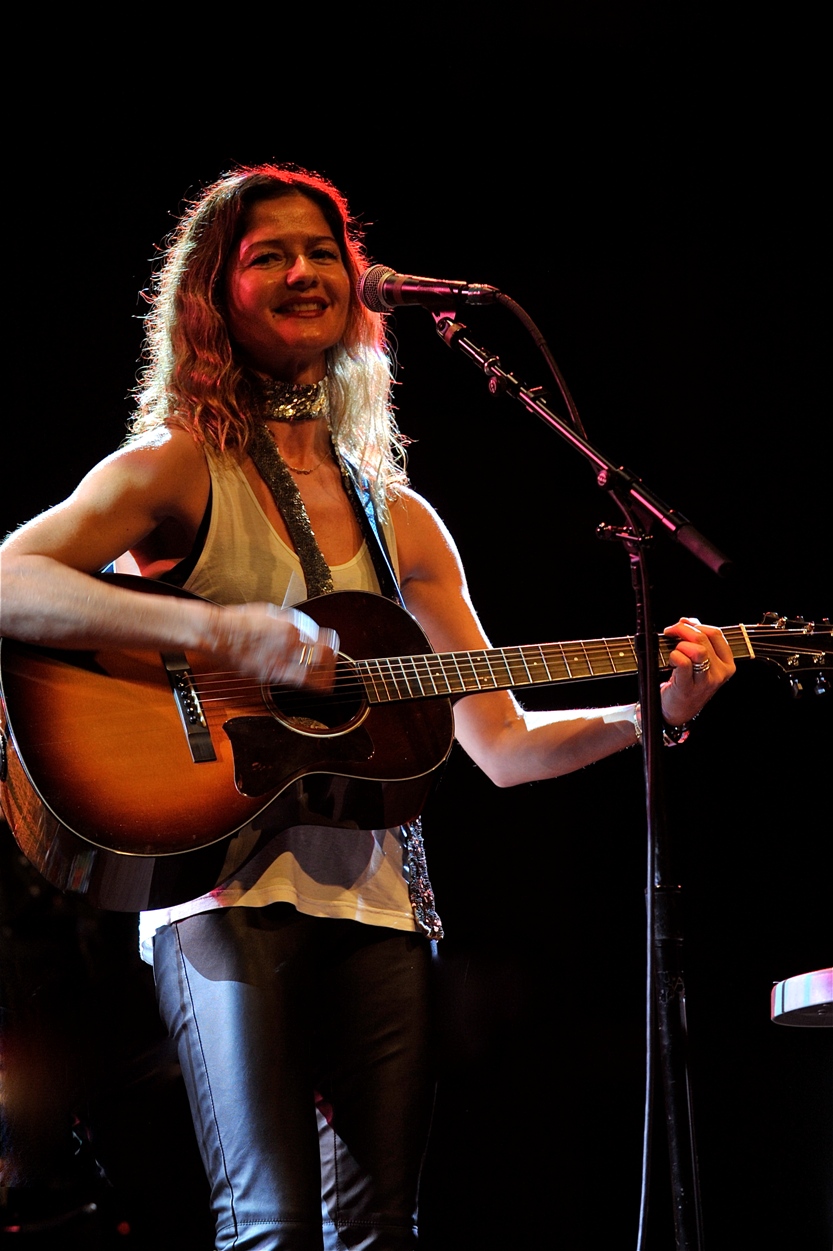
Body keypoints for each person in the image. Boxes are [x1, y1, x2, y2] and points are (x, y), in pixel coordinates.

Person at [0, 165, 735, 1250]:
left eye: (322, 252)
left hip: (383, 912)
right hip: (222, 894)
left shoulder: (404, 521)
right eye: (268, 255)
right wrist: (221, 634)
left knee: (382, 1230)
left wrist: (654, 714)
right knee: (272, 1227)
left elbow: (501, 745)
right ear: (213, 295)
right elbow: (11, 581)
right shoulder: (174, 470)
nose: (304, 271)